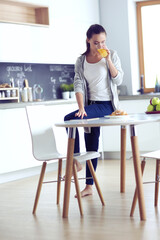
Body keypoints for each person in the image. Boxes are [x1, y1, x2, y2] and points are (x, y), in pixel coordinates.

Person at [64, 24, 124, 197]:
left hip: (107, 105)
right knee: (90, 141)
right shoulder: (81, 61)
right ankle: (89, 186)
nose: (100, 46)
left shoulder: (112, 54)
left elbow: (118, 79)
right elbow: (78, 84)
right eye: (96, 42)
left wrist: (109, 60)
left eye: (103, 42)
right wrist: (81, 107)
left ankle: (75, 159)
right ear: (88, 40)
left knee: (70, 120)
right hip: (91, 105)